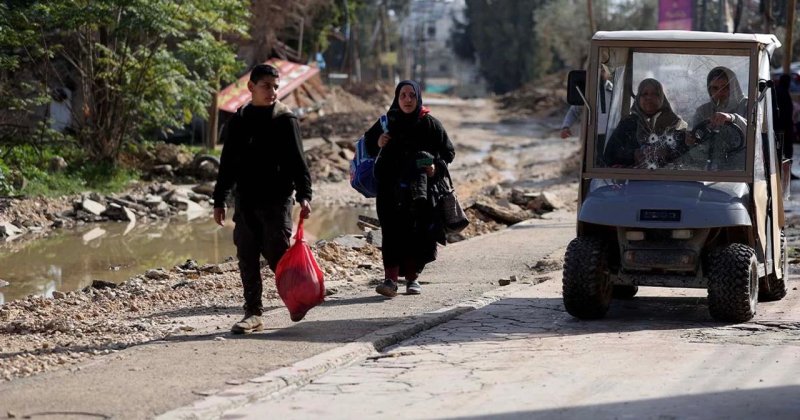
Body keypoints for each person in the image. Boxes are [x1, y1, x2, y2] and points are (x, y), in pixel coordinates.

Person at [212, 64, 313, 334]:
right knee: (246, 255)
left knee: (278, 253)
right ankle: (253, 312)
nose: (272, 91)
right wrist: (219, 199)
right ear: (251, 87)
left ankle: (296, 300)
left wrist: (304, 195)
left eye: (275, 86)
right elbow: (228, 164)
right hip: (245, 201)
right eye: (266, 86)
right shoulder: (239, 121)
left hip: (277, 200)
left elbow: (298, 161)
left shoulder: (285, 119)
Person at [364, 80, 455, 297]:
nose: (407, 100)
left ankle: (413, 279)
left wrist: (434, 167)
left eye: (412, 95)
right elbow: (366, 145)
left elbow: (448, 153)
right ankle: (390, 280)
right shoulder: (387, 121)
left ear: (418, 98)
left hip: (419, 191)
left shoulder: (429, 124)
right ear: (397, 98)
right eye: (403, 95)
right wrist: (378, 141)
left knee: (416, 233)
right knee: (391, 232)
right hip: (389, 189)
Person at [603, 78, 688, 168]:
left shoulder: (675, 123)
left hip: (669, 178)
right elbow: (610, 156)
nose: (649, 98)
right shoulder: (628, 124)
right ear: (638, 98)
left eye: (654, 94)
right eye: (645, 94)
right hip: (634, 179)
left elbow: (687, 155)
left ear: (662, 98)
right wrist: (634, 155)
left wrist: (666, 153)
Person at [560, 66, 613, 139]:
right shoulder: (586, 91)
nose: (601, 71)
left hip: (611, 135)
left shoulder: (614, 90)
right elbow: (574, 111)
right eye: (599, 68)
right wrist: (566, 126)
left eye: (603, 69)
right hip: (590, 137)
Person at [691, 66, 747, 132]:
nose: (719, 92)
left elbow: (754, 134)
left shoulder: (747, 105)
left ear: (734, 87)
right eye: (715, 88)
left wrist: (732, 118)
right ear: (709, 90)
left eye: (725, 87)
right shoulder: (703, 111)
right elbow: (695, 136)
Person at [775, 74, 795, 163]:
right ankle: (786, 170)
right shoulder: (782, 92)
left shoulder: (779, 90)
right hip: (784, 126)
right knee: (785, 148)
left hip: (781, 125)